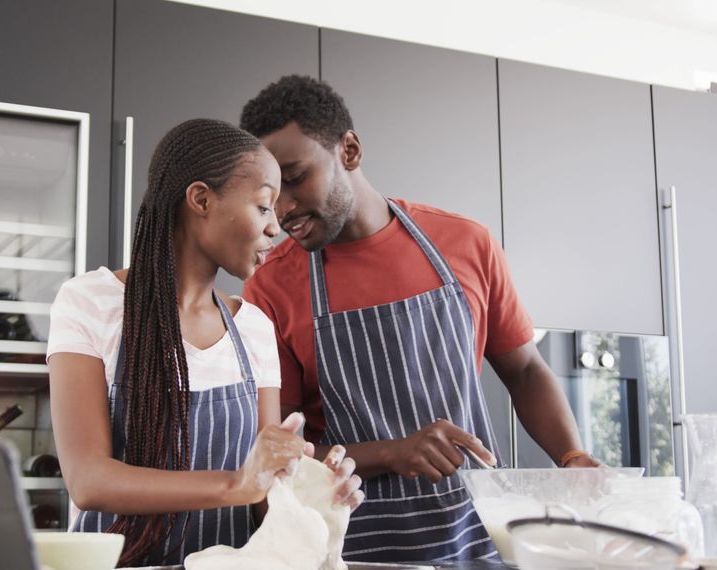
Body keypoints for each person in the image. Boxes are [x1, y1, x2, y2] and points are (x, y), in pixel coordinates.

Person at [240, 76, 600, 563]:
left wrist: (571, 456)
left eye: (296, 177)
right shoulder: (271, 287)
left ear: (349, 150)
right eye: (272, 191)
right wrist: (393, 452)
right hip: (355, 547)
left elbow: (526, 370)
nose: (282, 210)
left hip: (478, 533)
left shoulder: (466, 243)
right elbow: (284, 455)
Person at [46, 119, 364, 567]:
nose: (276, 227)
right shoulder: (90, 303)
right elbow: (89, 480)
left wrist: (312, 490)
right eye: (262, 206)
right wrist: (237, 483)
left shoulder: (254, 328)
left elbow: (262, 494)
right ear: (201, 199)